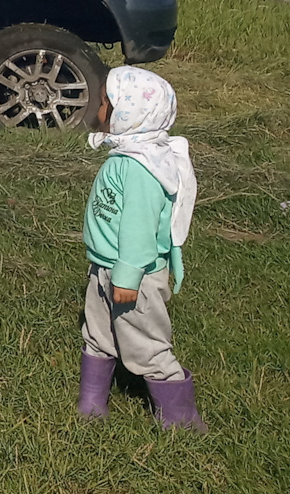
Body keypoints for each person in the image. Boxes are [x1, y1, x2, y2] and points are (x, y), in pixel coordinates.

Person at [77, 65, 206, 431]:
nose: (99, 110)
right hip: (105, 266)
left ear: (130, 115)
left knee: (146, 344)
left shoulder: (139, 168)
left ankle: (181, 421)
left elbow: (138, 226)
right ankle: (92, 403)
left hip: (133, 275)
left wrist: (129, 275)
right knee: (98, 333)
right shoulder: (131, 155)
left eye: (106, 104)